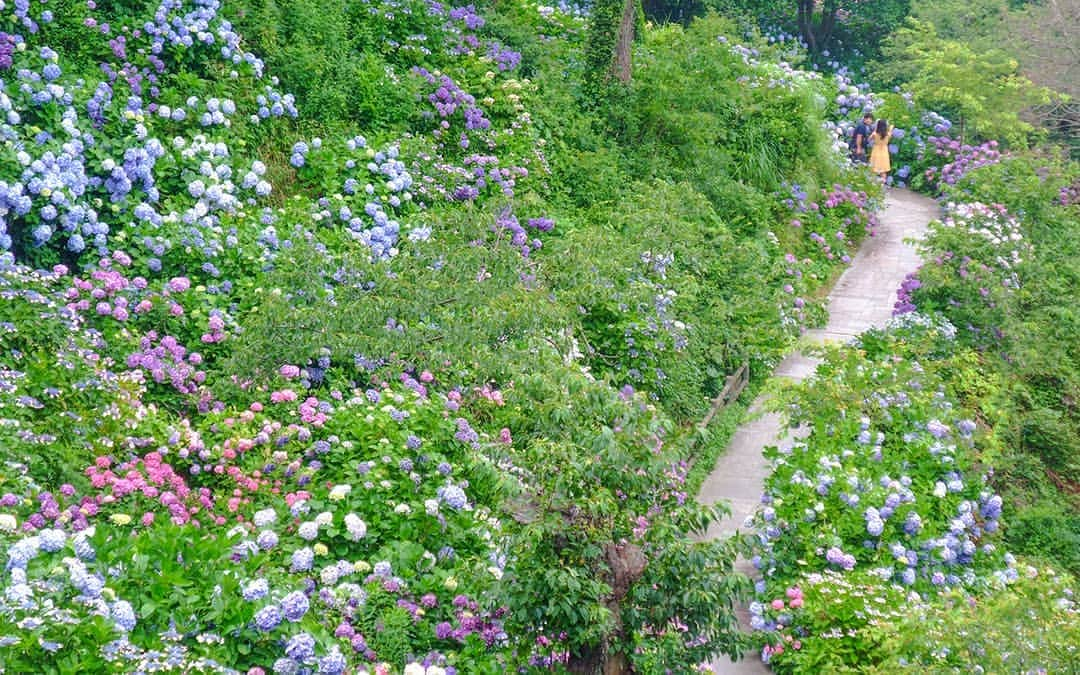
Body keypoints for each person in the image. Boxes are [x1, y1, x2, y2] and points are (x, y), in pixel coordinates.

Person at [869, 118, 894, 184]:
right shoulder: (887, 134)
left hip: (876, 151)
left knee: (873, 169)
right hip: (884, 152)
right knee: (883, 170)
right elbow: (890, 131)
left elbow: (869, 139)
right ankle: (882, 185)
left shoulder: (875, 134)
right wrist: (891, 127)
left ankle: (872, 184)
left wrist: (875, 129)